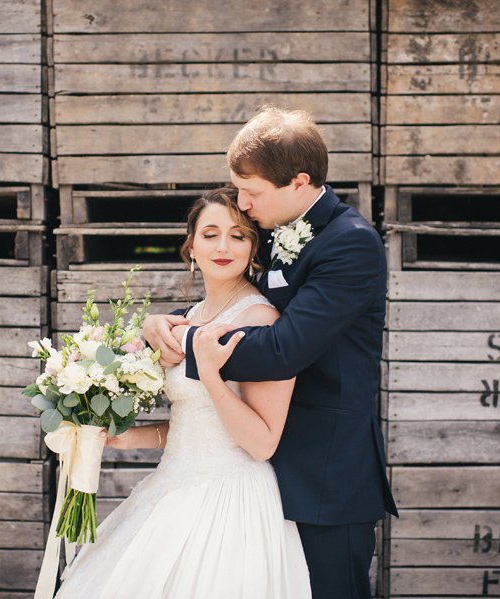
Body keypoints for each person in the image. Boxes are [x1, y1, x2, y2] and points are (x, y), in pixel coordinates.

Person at [144, 105, 398, 599]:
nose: (242, 202)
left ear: (299, 182)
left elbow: (284, 348)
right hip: (256, 472)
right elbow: (242, 301)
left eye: (252, 192)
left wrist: (189, 343)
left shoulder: (351, 244)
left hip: (323, 475)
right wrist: (167, 324)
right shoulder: (282, 228)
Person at [53, 187, 311, 598]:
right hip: (171, 487)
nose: (223, 246)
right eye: (210, 234)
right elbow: (194, 425)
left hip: (229, 500)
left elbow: (262, 443)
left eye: (238, 235)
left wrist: (209, 374)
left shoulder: (261, 320)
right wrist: (126, 437)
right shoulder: (187, 318)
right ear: (191, 247)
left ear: (253, 248)